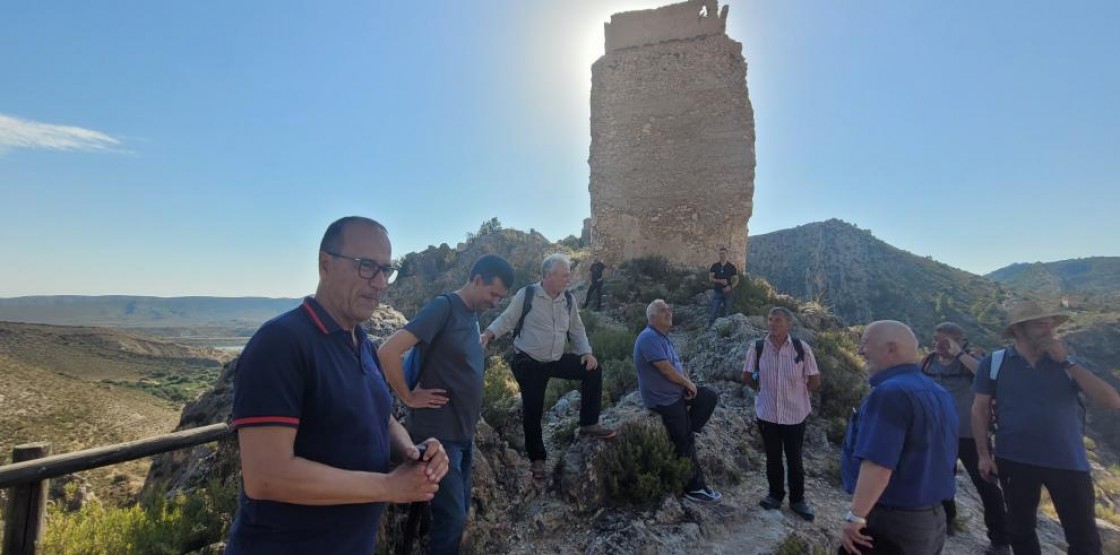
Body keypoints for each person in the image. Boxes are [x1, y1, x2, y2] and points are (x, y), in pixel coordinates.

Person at [226, 216, 449, 554]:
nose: (379, 282)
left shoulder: (363, 344)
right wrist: (389, 486)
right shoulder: (280, 343)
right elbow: (266, 476)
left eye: (385, 270)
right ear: (325, 264)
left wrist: (411, 453)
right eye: (366, 266)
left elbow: (382, 418)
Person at [378, 254, 514, 555]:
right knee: (451, 520)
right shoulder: (445, 307)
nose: (495, 303)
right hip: (439, 437)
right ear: (477, 280)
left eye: (500, 298)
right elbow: (388, 351)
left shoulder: (471, 314)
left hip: (462, 436)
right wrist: (409, 396)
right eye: (493, 294)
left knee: (456, 513)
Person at [972, 301, 1120, 555]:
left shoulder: (1070, 363)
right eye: (1041, 324)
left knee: (1085, 540)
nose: (1050, 329)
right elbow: (979, 410)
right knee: (1020, 531)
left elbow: (1111, 401)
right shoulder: (994, 363)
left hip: (1068, 462)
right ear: (1019, 330)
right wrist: (984, 456)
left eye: (1051, 323)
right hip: (1013, 459)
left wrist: (1067, 363)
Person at [481, 253, 615, 480]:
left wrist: (587, 353)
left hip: (555, 359)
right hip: (529, 362)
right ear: (549, 276)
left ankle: (589, 424)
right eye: (564, 275)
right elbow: (507, 319)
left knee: (593, 370)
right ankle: (537, 458)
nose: (568, 279)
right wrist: (488, 333)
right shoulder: (528, 294)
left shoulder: (568, 299)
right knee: (534, 409)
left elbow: (577, 330)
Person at [840, 321, 958, 555]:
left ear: (891, 348)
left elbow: (878, 465)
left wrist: (856, 517)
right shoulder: (939, 393)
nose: (860, 351)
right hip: (932, 520)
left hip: (893, 522)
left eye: (865, 344)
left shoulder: (890, 394)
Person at [920, 322, 1009, 553]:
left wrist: (958, 353)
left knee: (987, 487)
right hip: (940, 434)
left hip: (972, 436)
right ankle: (947, 520)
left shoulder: (971, 361)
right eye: (935, 338)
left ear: (960, 340)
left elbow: (987, 376)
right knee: (941, 480)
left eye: (944, 340)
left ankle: (1000, 540)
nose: (937, 344)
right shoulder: (928, 362)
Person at [633, 299, 722, 503]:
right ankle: (695, 489)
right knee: (685, 441)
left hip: (675, 394)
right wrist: (688, 385)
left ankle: (687, 431)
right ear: (652, 318)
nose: (669, 312)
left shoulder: (663, 337)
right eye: (664, 310)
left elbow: (676, 366)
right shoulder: (648, 337)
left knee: (707, 397)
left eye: (669, 309)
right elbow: (665, 369)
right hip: (663, 400)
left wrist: (687, 385)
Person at [743, 306, 821, 521]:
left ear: (788, 324)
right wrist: (763, 390)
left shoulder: (800, 348)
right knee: (773, 457)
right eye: (770, 319)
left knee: (795, 459)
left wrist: (797, 395)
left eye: (777, 320)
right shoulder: (758, 347)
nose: (772, 323)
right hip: (767, 414)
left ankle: (798, 500)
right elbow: (747, 376)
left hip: (795, 414)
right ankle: (775, 495)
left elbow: (814, 378)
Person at [707, 247, 739, 326]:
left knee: (727, 312)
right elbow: (710, 278)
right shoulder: (715, 266)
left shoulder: (731, 267)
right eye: (720, 253)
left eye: (723, 253)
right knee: (714, 311)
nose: (722, 255)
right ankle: (710, 328)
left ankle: (725, 329)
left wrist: (730, 287)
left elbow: (737, 280)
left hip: (728, 293)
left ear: (726, 254)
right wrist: (720, 281)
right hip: (717, 291)